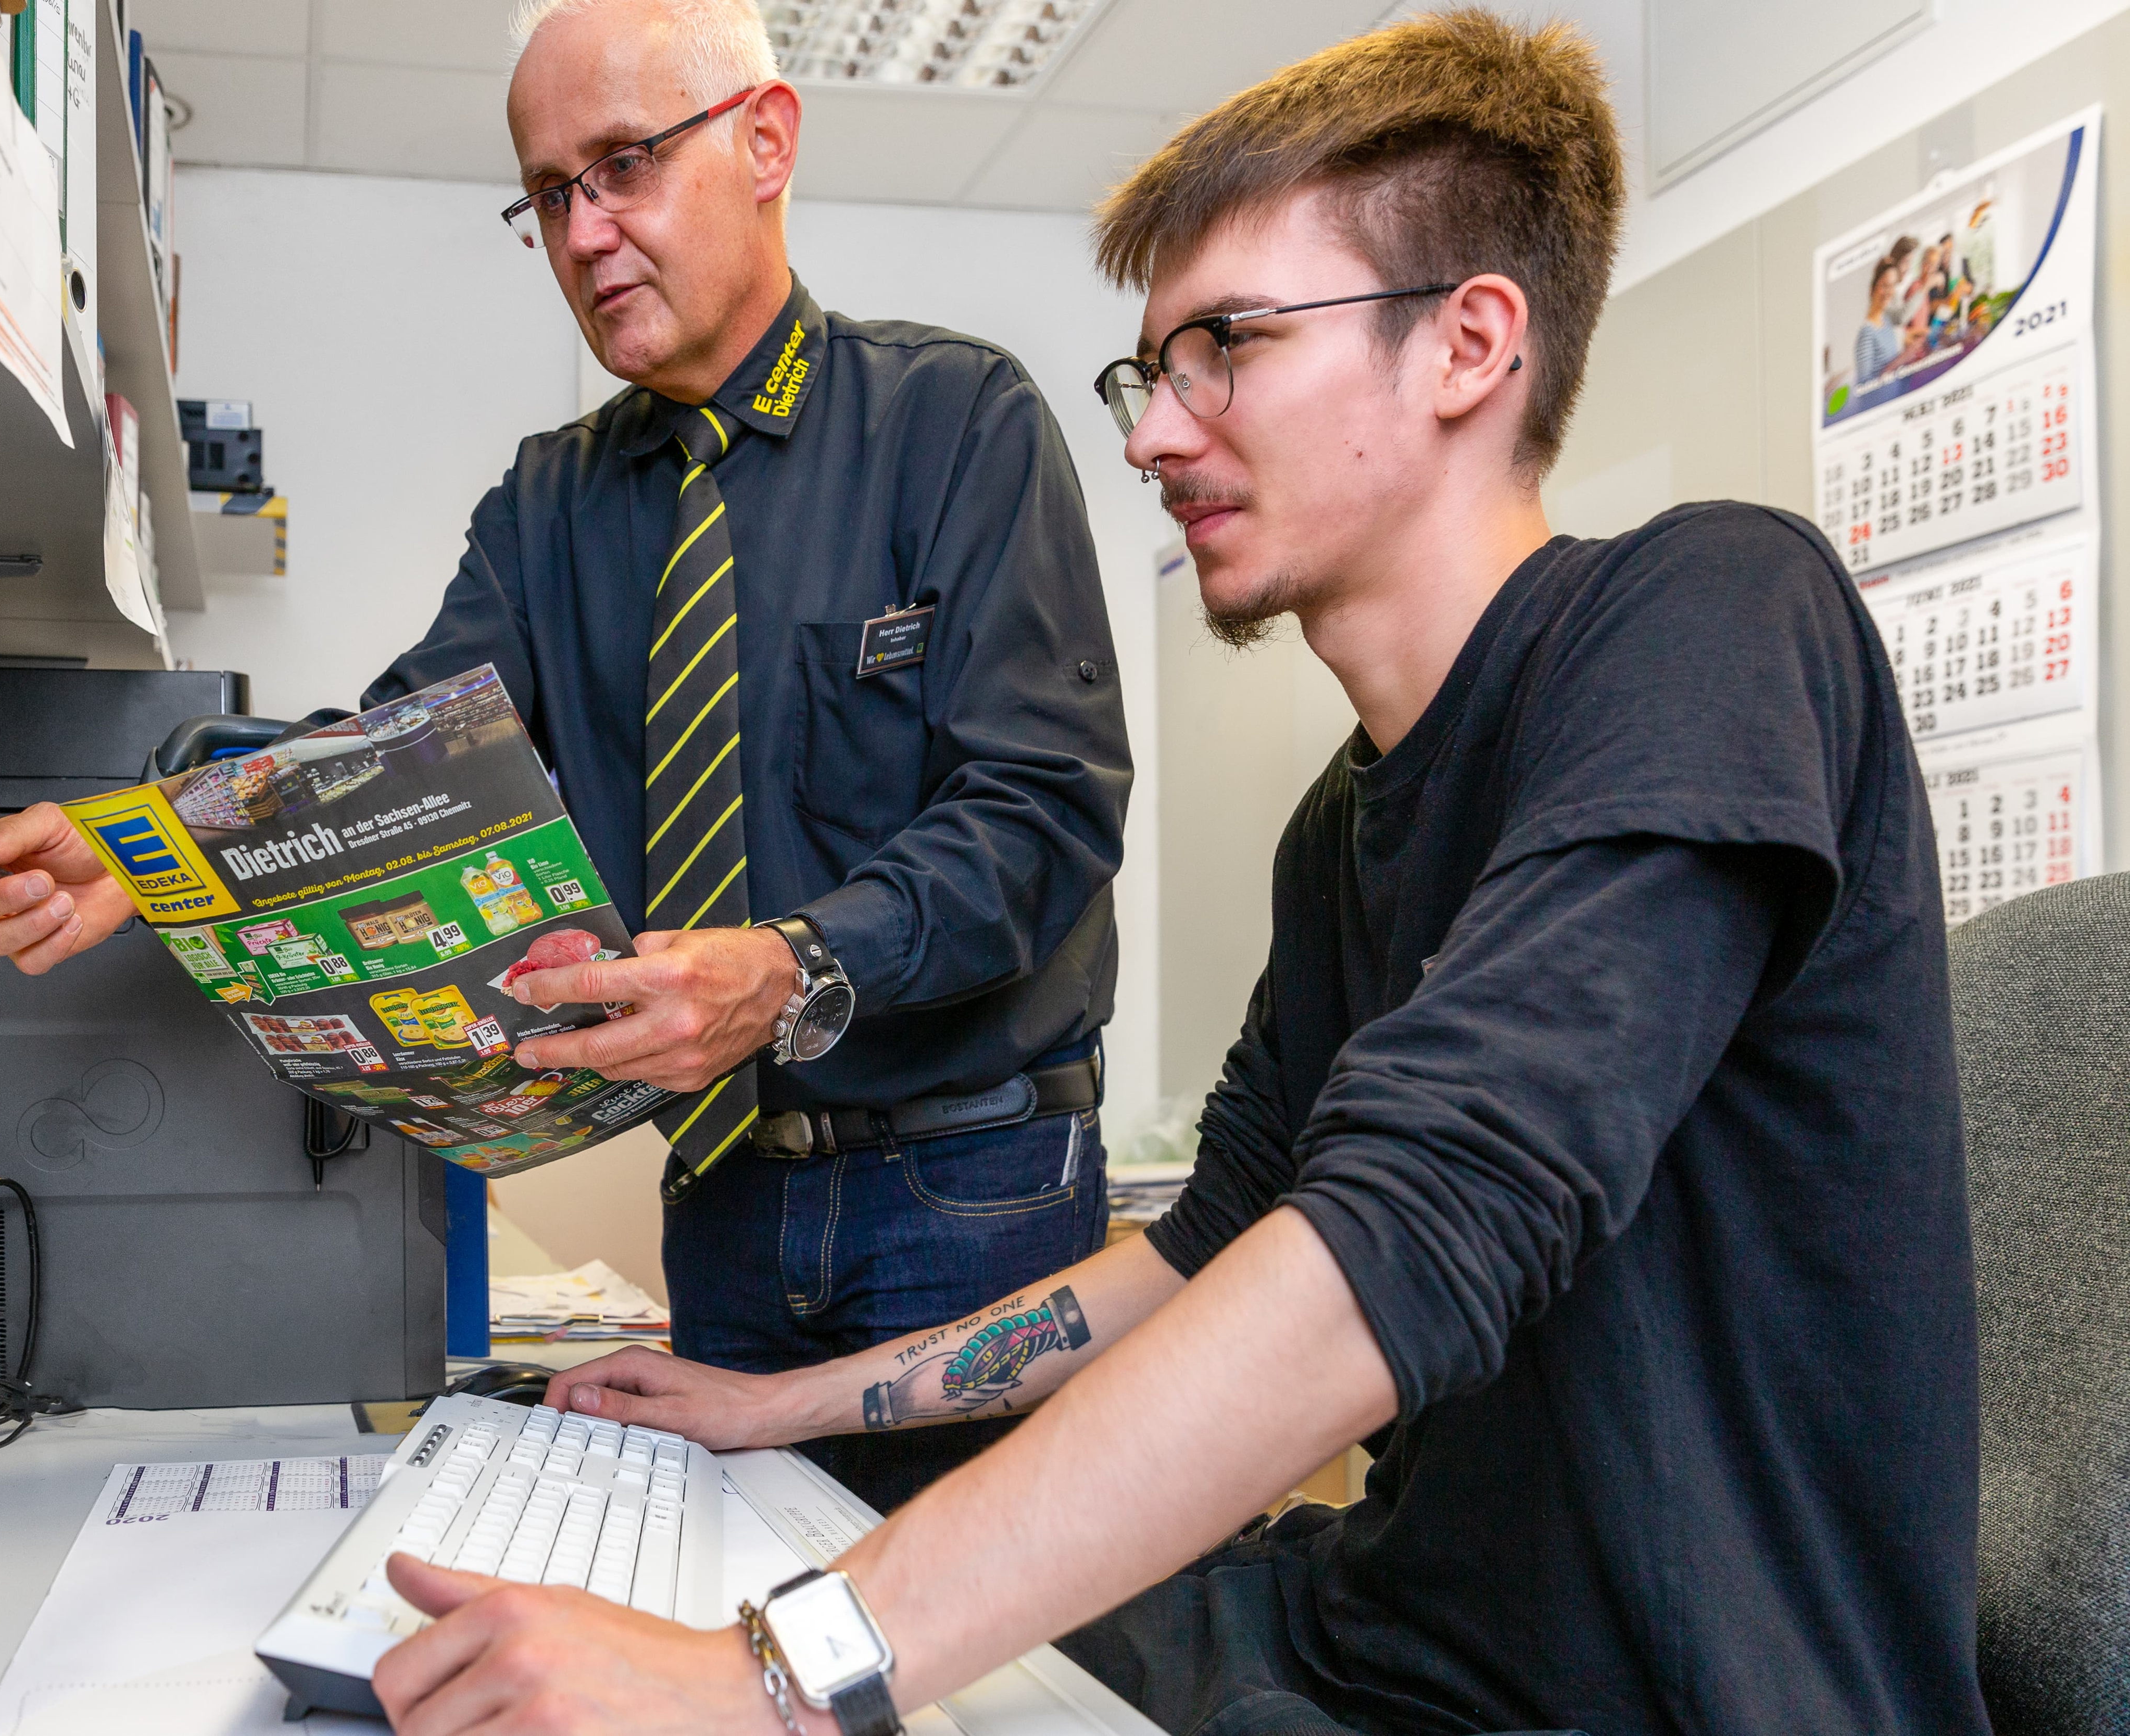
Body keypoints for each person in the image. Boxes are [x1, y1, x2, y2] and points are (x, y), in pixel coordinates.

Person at [359, 12, 1992, 1735]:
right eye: (1154, 373)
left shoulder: (1715, 615)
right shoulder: (1338, 829)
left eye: (1226, 347)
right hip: (1372, 1632)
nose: (1151, 439)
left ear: (1468, 344)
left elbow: (1422, 1224)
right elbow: (1208, 1249)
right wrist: (790, 1409)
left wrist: (770, 1674)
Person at [0, 0, 1130, 1516]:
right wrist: (152, 843)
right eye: (548, 192)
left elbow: (1042, 813)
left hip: (968, 1190)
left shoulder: (957, 423)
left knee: (969, 1649)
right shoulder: (550, 504)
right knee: (750, 1618)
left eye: (621, 164)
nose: (585, 230)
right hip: (725, 1194)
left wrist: (788, 964)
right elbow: (387, 758)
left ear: (765, 142)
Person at [1854, 257, 1902, 383]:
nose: (1889, 292)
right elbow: (1864, 385)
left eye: (1892, 286)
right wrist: (1897, 363)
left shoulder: (1886, 321)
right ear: (1872, 289)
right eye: (1884, 286)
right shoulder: (1867, 333)